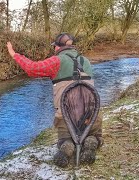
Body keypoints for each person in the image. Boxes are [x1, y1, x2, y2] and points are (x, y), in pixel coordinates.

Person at [6, 33, 103, 167]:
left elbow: (32, 68)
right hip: (92, 114)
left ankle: (67, 146)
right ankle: (92, 141)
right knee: (96, 135)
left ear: (57, 47)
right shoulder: (86, 60)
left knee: (64, 139)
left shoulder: (56, 61)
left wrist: (14, 54)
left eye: (54, 47)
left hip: (66, 115)